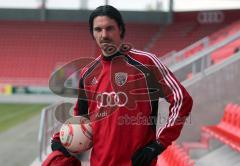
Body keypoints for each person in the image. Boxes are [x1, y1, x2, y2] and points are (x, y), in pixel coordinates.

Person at [44, 5, 193, 166]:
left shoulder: (146, 63)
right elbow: (81, 117)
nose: (104, 35)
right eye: (98, 29)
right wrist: (61, 139)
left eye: (109, 28)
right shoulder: (88, 73)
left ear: (121, 30)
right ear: (92, 33)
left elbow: (181, 99)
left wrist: (158, 145)